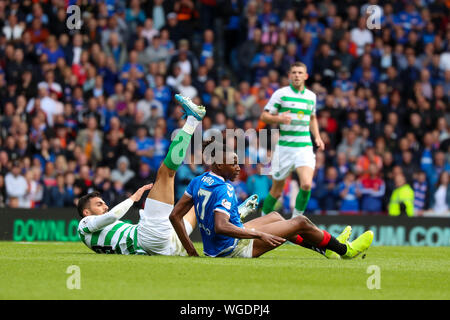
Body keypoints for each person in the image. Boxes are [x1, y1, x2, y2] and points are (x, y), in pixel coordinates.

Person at [170, 135, 374, 260]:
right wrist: (260, 235)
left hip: (214, 247)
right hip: (232, 249)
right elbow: (221, 226)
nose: (238, 167)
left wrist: (191, 250)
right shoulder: (225, 189)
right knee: (300, 221)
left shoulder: (198, 180)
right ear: (218, 165)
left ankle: (325, 249)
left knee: (276, 216)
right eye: (233, 163)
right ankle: (344, 250)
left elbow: (175, 216)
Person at [76, 94, 206, 256]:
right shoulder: (84, 224)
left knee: (198, 201)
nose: (105, 206)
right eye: (99, 204)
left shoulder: (91, 236)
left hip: (164, 246)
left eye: (103, 203)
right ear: (86, 212)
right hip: (150, 235)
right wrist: (133, 198)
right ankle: (193, 120)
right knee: (166, 173)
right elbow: (110, 217)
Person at [259, 62, 325, 217]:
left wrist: (317, 137)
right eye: (294, 72)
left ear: (306, 76)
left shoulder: (311, 97)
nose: (297, 75)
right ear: (289, 75)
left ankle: (296, 221)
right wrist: (279, 118)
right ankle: (261, 222)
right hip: (285, 147)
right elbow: (264, 116)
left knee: (307, 184)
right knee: (276, 191)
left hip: (304, 147)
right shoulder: (281, 94)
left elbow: (313, 117)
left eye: (300, 72)